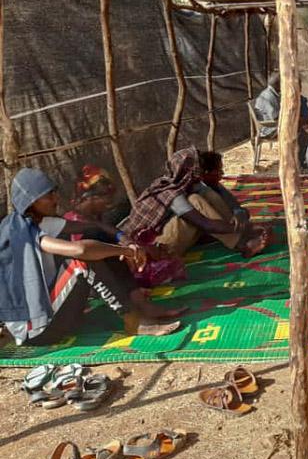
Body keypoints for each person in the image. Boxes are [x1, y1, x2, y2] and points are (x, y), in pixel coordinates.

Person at [0, 168, 181, 346]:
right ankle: (134, 322)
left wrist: (125, 241)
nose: (55, 199)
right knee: (81, 262)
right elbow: (79, 251)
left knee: (100, 242)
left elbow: (94, 227)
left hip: (51, 309)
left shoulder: (38, 221)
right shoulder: (21, 233)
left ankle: (140, 304)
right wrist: (124, 252)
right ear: (31, 202)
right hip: (36, 330)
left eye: (53, 193)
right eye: (48, 196)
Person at [124, 148, 268, 259]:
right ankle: (241, 245)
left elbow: (232, 203)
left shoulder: (190, 184)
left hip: (173, 235)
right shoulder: (171, 193)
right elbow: (205, 224)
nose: (222, 174)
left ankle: (241, 236)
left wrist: (239, 213)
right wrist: (247, 227)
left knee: (206, 194)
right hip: (155, 247)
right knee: (195, 201)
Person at [253, 71, 308, 166]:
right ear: (278, 84)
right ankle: (297, 160)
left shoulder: (274, 94)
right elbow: (276, 117)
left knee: (302, 126)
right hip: (270, 128)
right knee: (301, 132)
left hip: (275, 124)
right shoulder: (268, 97)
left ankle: (299, 159)